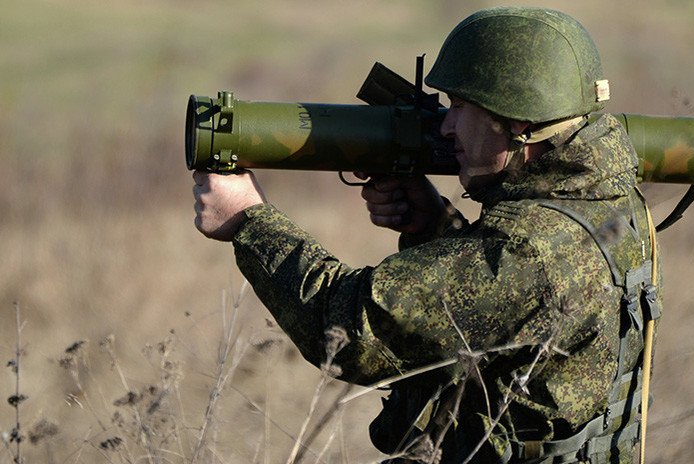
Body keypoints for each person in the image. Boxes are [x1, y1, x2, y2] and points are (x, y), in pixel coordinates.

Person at [193, 7, 661, 463]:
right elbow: (504, 312)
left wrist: (249, 221)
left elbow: (351, 331)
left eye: (459, 107)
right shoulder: (603, 198)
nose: (446, 125)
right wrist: (433, 225)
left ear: (518, 124)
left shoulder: (528, 252)